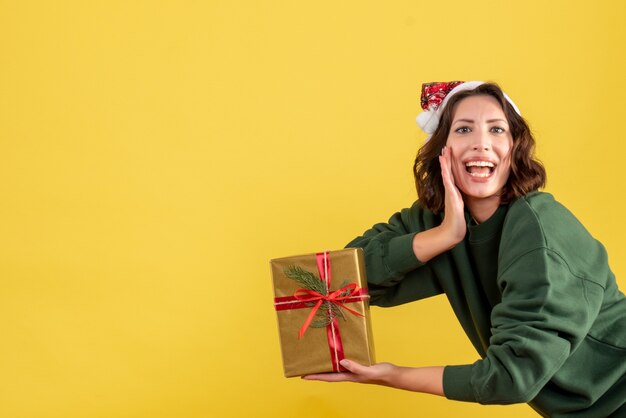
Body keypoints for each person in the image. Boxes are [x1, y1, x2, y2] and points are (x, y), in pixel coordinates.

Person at [303, 81, 626, 417]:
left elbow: (512, 377)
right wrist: (444, 236)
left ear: (515, 148)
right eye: (464, 129)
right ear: (442, 148)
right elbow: (340, 280)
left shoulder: (539, 228)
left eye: (497, 130)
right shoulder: (436, 220)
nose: (481, 144)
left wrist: (393, 376)